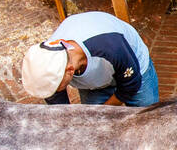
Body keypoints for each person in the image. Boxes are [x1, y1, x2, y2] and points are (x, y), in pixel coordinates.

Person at [20, 10, 160, 106]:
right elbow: (60, 108)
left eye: (57, 88)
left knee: (146, 117)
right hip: (96, 76)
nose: (54, 93)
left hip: (132, 68)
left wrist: (101, 112)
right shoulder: (50, 61)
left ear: (70, 70)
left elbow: (130, 85)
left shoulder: (109, 46)